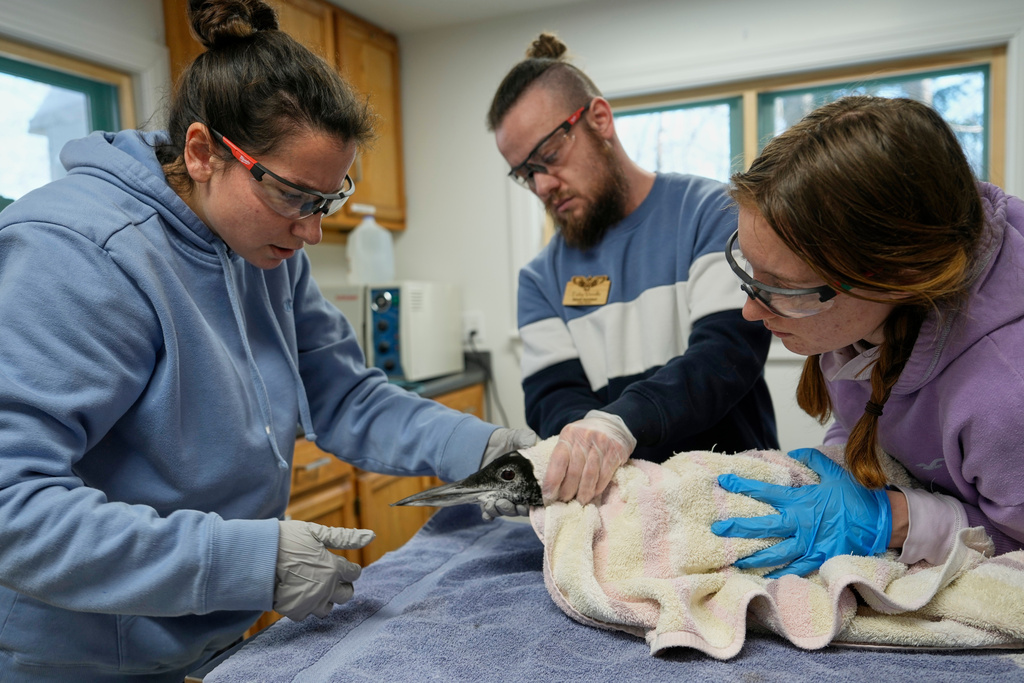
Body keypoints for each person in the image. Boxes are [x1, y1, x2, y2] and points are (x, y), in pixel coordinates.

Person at [0, 1, 533, 680]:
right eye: (292, 195)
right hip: (73, 655)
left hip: (205, 629)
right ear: (202, 152)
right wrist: (249, 561)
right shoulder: (79, 253)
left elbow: (344, 395)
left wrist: (486, 449)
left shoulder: (266, 250)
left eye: (326, 199)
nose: (311, 231)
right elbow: (12, 508)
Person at [711, 95, 1024, 578]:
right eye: (752, 270)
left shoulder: (1006, 394)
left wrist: (899, 520)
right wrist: (841, 464)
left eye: (784, 287)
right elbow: (870, 412)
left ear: (896, 276)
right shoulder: (863, 313)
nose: (751, 310)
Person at [486, 33, 778, 507]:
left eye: (550, 157)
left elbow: (725, 356)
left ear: (599, 119)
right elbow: (552, 397)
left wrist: (619, 422)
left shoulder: (710, 214)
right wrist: (593, 451)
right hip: (618, 508)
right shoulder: (540, 278)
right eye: (525, 173)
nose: (541, 185)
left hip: (735, 494)